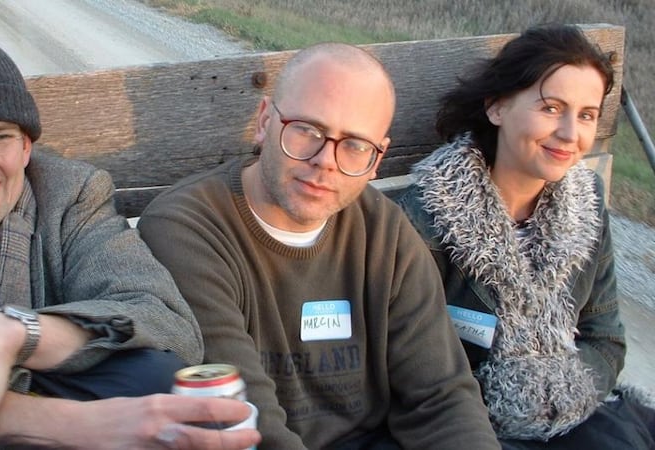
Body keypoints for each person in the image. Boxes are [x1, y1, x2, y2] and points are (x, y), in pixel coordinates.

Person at [0, 33, 260, 450]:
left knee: (152, 374)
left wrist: (5, 335)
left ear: (27, 147)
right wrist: (70, 423)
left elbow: (167, 322)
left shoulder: (70, 196)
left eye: (0, 136)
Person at [138, 42, 501, 449]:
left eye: (355, 145)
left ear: (377, 158)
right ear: (263, 122)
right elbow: (245, 418)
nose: (325, 161)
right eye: (308, 130)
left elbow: (442, 396)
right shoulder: (187, 229)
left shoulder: (385, 232)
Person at [396, 24, 655, 449]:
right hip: (469, 428)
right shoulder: (423, 220)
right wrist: (519, 402)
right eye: (551, 108)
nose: (571, 134)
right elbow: (415, 371)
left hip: (574, 412)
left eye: (586, 115)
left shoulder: (585, 204)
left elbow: (605, 340)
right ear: (496, 107)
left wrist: (553, 396)